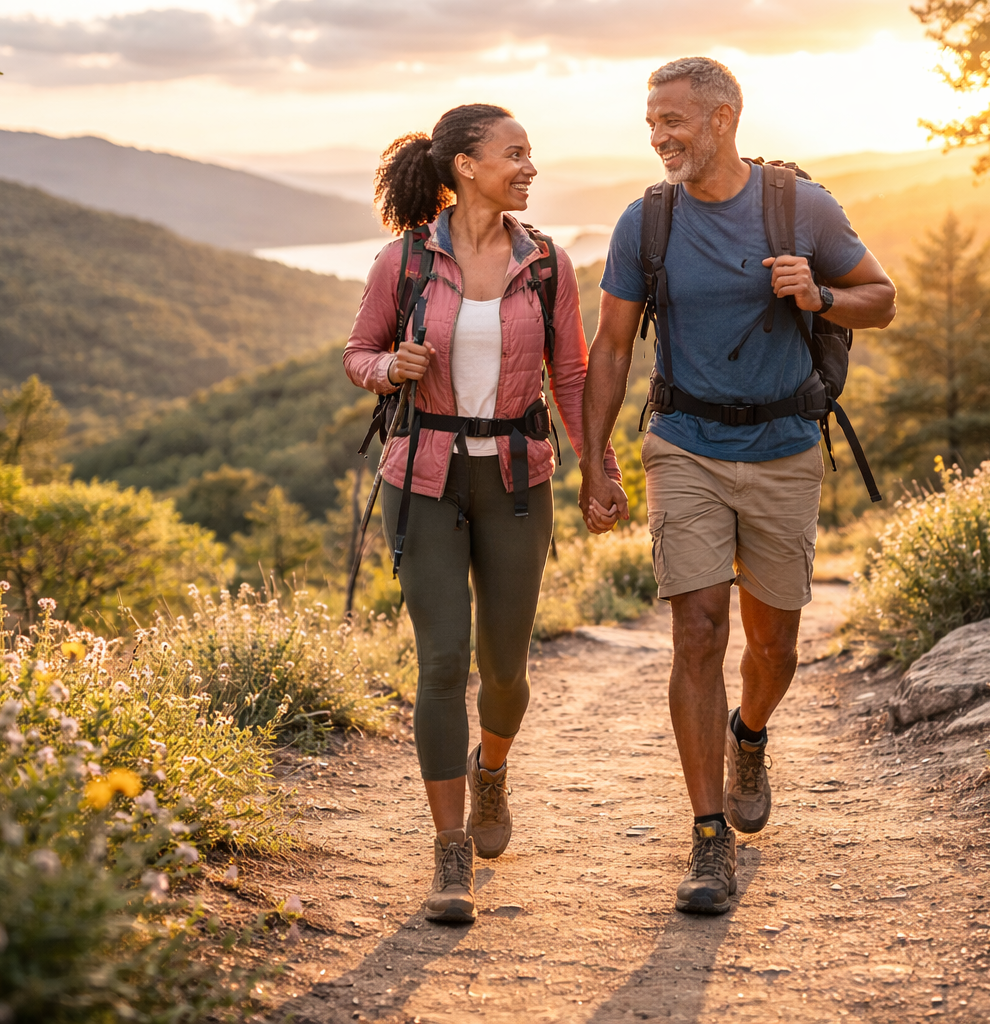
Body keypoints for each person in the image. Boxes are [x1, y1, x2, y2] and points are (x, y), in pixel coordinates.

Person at [577, 58, 897, 914]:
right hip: (683, 441)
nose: (658, 136)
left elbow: (882, 298)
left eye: (673, 120)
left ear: (723, 119)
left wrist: (819, 291)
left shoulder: (800, 205)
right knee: (697, 629)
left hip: (786, 443)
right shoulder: (644, 221)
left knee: (775, 646)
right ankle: (708, 835)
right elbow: (610, 347)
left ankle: (748, 734)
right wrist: (593, 455)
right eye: (651, 122)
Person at [344, 104, 620, 924]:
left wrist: (596, 470)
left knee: (504, 669)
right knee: (439, 662)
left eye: (530, 153)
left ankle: (490, 769)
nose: (529, 167)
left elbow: (569, 377)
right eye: (514, 153)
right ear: (465, 166)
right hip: (423, 476)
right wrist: (390, 365)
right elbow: (356, 355)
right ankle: (449, 849)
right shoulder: (403, 263)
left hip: (516, 478)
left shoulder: (547, 266)